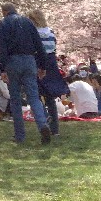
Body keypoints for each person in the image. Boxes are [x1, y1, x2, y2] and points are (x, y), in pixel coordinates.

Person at [0, 2, 51, 145]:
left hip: (12, 62)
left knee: (15, 100)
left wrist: (2, 68)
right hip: (29, 60)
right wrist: (42, 66)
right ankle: (43, 125)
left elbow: (2, 48)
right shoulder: (27, 22)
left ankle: (20, 135)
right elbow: (39, 45)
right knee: (34, 97)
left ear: (4, 12)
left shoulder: (3, 24)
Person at [26, 9, 69, 137]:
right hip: (51, 62)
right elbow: (54, 48)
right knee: (50, 97)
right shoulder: (50, 32)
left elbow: (33, 49)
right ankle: (55, 129)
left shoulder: (33, 33)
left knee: (35, 94)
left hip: (38, 61)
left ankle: (44, 117)